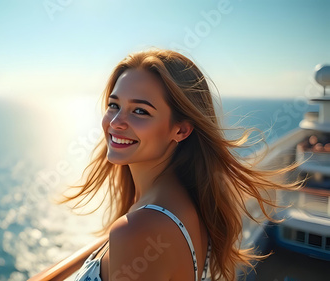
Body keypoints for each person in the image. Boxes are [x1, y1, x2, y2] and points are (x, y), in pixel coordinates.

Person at [59, 48, 302, 281]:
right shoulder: (189, 201)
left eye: (140, 111)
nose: (116, 121)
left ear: (181, 129)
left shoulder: (139, 231)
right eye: (114, 105)